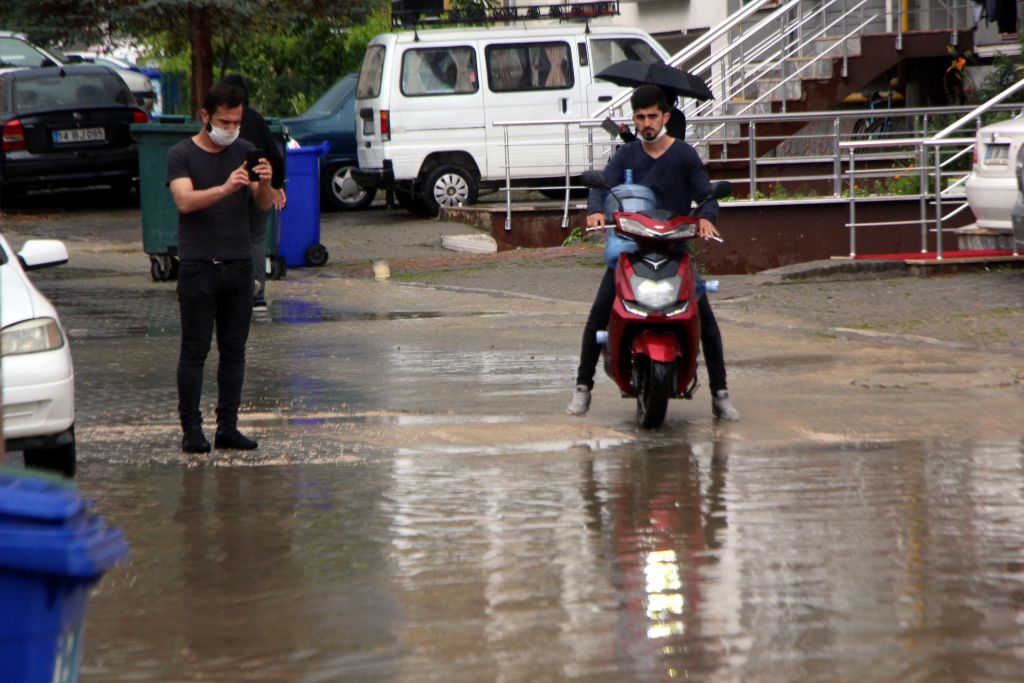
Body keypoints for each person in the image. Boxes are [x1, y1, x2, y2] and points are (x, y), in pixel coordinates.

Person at [567, 84, 739, 421]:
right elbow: (603, 186)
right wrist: (595, 210)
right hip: (631, 250)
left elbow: (707, 196)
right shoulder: (626, 155)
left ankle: (720, 394)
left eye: (652, 116)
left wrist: (706, 219)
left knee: (705, 320)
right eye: (640, 117)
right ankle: (582, 387)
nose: (646, 123)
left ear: (666, 116)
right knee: (599, 312)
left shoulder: (684, 155)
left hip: (675, 249)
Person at [167, 83, 275, 453]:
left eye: (237, 121)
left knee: (235, 351)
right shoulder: (180, 155)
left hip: (239, 265)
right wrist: (226, 188)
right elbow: (184, 201)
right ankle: (191, 429)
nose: (231, 128)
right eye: (224, 121)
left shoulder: (244, 151)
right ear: (205, 117)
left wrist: (266, 183)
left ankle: (227, 426)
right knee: (194, 350)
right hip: (199, 266)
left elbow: (261, 204)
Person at [220, 74, 287, 311]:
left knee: (231, 236)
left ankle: (235, 291)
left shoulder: (220, 121)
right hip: (259, 181)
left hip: (233, 182)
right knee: (256, 238)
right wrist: (278, 185)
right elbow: (275, 155)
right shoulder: (256, 118)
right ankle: (258, 295)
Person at [619, 87, 686, 142]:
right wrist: (626, 134)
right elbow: (641, 146)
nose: (646, 123)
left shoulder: (676, 117)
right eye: (640, 117)